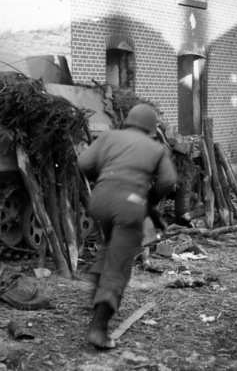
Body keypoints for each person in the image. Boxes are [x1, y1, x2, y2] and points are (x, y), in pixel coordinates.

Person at [78, 103, 177, 349]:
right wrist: (150, 201)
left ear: (128, 121)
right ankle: (98, 329)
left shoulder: (109, 136)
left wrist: (104, 181)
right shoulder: (156, 148)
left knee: (112, 247)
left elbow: (82, 164)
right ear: (152, 128)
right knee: (119, 266)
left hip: (99, 200)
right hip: (129, 206)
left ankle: (96, 292)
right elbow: (169, 181)